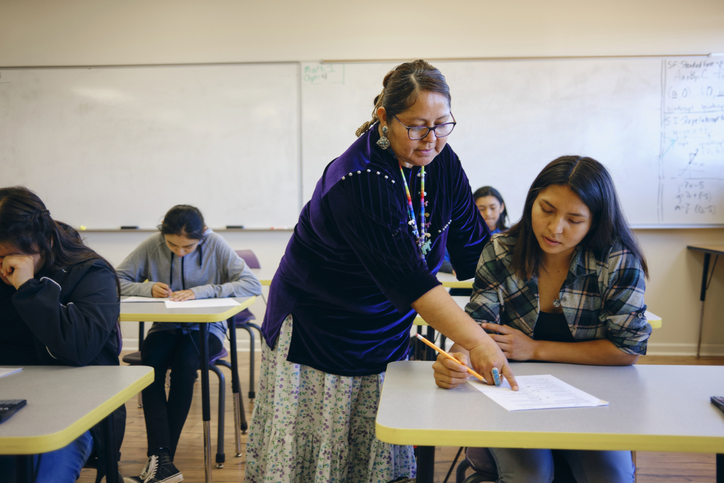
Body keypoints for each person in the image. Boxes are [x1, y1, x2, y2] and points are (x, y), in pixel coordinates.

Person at [244, 59, 517, 483]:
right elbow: (413, 282)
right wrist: (476, 341)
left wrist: (474, 337)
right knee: (322, 456)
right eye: (416, 126)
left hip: (386, 326)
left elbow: (477, 255)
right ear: (384, 117)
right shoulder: (359, 178)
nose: (430, 139)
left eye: (442, 124)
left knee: (376, 450)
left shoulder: (443, 163)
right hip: (321, 328)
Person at [433, 156, 652, 483]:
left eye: (574, 219)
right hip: (512, 394)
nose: (555, 228)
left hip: (594, 398)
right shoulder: (501, 250)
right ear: (532, 199)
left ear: (596, 221)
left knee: (613, 477)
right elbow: (476, 329)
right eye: (546, 209)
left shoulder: (617, 260)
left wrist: (535, 349)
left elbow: (627, 349)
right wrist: (458, 358)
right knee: (529, 474)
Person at [117, 205, 262, 483]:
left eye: (188, 247)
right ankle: (162, 460)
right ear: (163, 234)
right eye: (172, 244)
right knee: (150, 370)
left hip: (207, 328)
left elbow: (251, 284)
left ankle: (160, 460)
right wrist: (146, 288)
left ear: (203, 235)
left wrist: (202, 292)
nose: (179, 251)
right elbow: (114, 279)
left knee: (185, 367)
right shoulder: (152, 244)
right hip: (166, 326)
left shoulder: (216, 243)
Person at [0, 186, 124, 483]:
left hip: (74, 410)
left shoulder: (91, 273)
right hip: (8, 401)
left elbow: (79, 348)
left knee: (40, 474)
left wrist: (28, 288)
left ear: (45, 242)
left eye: (8, 255)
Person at [439, 185, 508, 274]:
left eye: (493, 208)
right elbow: (439, 259)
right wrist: (454, 269)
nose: (488, 213)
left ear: (501, 207)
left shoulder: (511, 236)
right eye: (481, 209)